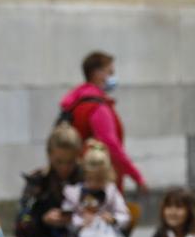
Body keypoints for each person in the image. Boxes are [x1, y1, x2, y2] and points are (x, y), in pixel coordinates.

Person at [59, 50, 145, 195]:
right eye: (110, 73)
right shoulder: (97, 106)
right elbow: (111, 146)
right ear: (97, 73)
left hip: (81, 178)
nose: (113, 77)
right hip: (99, 182)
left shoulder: (77, 102)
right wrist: (137, 177)